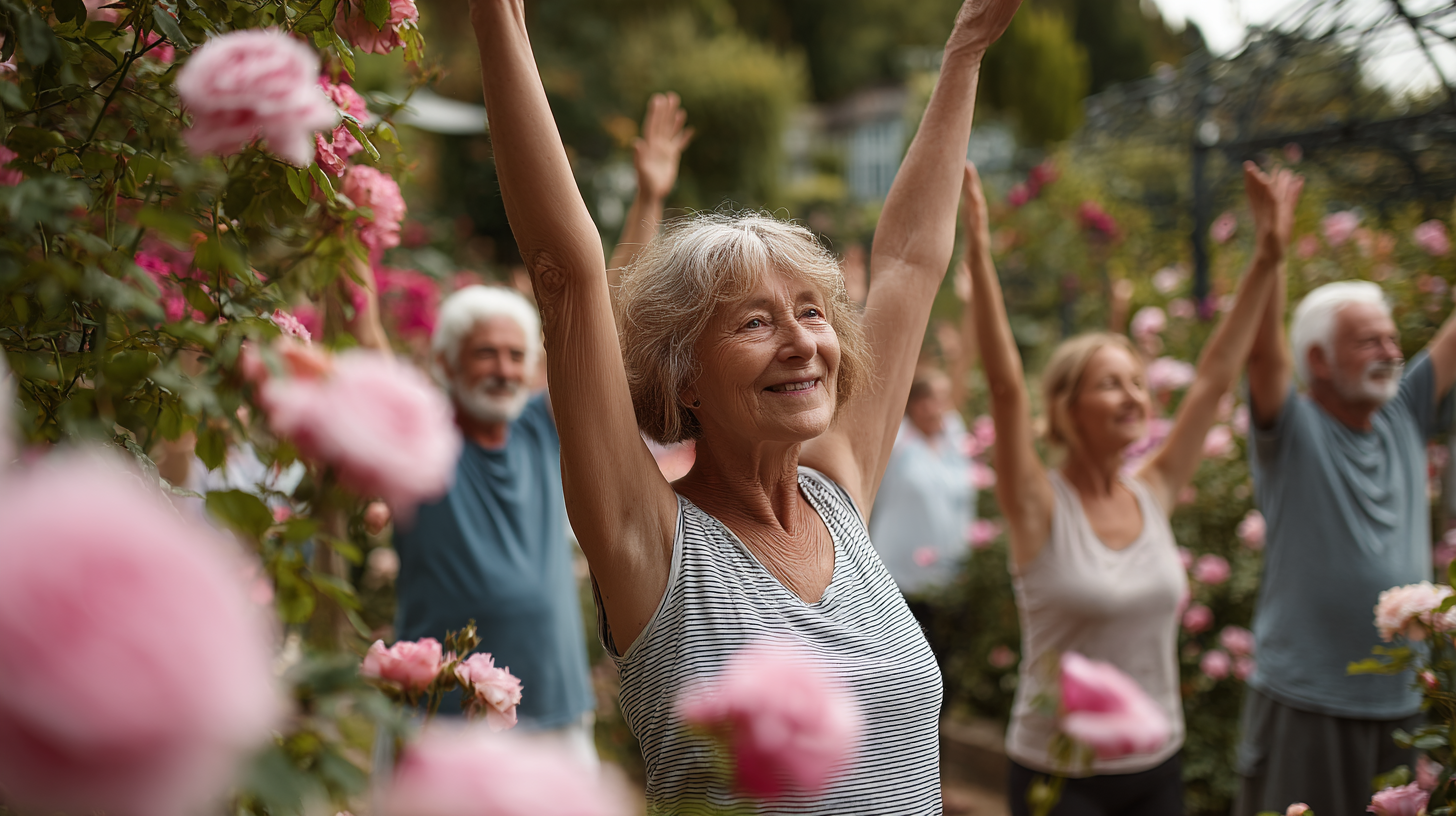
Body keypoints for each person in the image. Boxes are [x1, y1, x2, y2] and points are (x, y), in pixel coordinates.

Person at [468, 0, 1021, 810]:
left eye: (811, 311)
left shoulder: (839, 491)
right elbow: (565, 269)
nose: (802, 341)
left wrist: (966, 51)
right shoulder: (650, 543)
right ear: (684, 375)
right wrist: (496, 22)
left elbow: (906, 263)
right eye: (755, 322)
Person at [967, 159, 1302, 816]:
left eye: (1137, 381)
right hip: (1060, 776)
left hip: (1156, 765)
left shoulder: (1154, 490)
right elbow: (1006, 391)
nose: (1133, 394)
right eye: (1110, 382)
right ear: (1068, 405)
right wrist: (978, 255)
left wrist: (1267, 258)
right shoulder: (1039, 507)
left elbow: (1212, 379)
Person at [384, 97, 694, 763]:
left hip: (551, 709)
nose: (502, 368)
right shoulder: (419, 441)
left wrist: (647, 198)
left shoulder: (539, 429)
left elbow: (595, 320)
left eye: (515, 355)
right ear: (446, 362)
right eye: (484, 353)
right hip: (440, 720)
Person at [1233, 274, 1456, 813]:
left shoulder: (1402, 413)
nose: (1390, 352)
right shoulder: (1291, 428)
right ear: (1319, 360)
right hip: (1307, 706)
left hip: (1402, 704)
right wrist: (1269, 256)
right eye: (1368, 342)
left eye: (1392, 338)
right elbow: (1261, 359)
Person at [869, 367, 976, 603]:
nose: (946, 407)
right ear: (918, 404)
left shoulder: (952, 435)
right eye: (939, 399)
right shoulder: (896, 443)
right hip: (900, 580)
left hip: (952, 578)